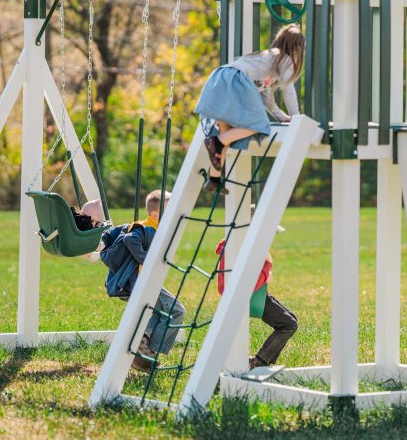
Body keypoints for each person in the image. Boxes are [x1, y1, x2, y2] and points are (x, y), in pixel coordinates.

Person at [195, 23, 305, 194]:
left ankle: (214, 179)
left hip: (219, 78)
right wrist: (296, 117)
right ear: (296, 48)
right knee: (258, 124)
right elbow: (288, 90)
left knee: (226, 134)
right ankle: (215, 142)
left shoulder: (267, 59)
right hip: (234, 80)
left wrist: (282, 117)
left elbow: (267, 99)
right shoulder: (286, 58)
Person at [99, 189, 185, 372]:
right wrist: (147, 260)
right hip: (139, 282)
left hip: (143, 281)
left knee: (161, 313)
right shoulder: (146, 227)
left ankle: (144, 351)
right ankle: (146, 348)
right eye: (169, 209)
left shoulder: (156, 229)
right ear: (155, 213)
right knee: (176, 311)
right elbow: (130, 239)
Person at [215, 225, 298, 369]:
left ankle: (262, 361)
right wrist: (267, 267)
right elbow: (245, 287)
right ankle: (259, 362)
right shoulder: (234, 249)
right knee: (288, 324)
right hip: (247, 299)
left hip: (257, 295)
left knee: (291, 319)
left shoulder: (241, 244)